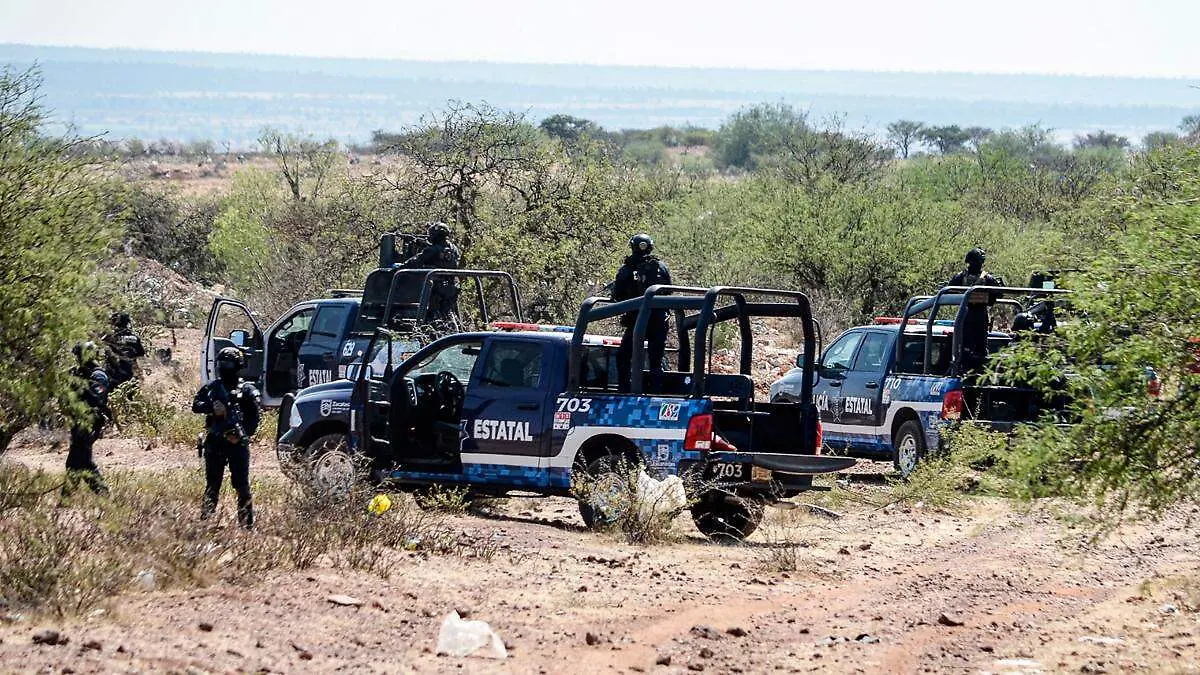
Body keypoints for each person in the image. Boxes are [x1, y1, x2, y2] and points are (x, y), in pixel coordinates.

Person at [192, 347, 261, 528]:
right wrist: (212, 407)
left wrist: (241, 434)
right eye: (222, 364)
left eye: (228, 364)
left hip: (237, 444)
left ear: (237, 366)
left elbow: (254, 419)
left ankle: (246, 527)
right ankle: (205, 523)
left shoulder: (246, 390)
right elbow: (196, 405)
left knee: (242, 486)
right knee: (212, 486)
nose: (224, 368)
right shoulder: (213, 388)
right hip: (215, 441)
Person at [612, 233, 672, 391]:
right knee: (656, 361)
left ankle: (625, 391)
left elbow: (617, 294)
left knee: (623, 356)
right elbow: (669, 290)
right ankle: (656, 392)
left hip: (637, 320)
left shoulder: (627, 268)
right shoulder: (661, 267)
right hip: (659, 320)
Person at [946, 248, 1005, 375]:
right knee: (978, 347)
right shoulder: (986, 278)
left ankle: (966, 370)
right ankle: (975, 371)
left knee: (968, 347)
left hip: (967, 314)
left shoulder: (961, 277)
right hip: (976, 315)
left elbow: (947, 290)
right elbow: (1000, 293)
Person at [64, 341, 111, 497]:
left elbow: (95, 400)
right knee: (76, 462)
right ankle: (66, 498)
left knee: (82, 461)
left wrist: (80, 387)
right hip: (77, 422)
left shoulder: (98, 375)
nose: (77, 359)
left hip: (90, 423)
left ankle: (103, 494)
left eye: (79, 356)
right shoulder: (78, 373)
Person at [400, 222, 462, 325]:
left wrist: (399, 268)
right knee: (447, 314)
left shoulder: (433, 250)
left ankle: (426, 328)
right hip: (451, 287)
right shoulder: (453, 249)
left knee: (431, 316)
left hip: (436, 288)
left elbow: (416, 261)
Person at [102, 312, 146, 390]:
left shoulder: (109, 337)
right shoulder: (134, 338)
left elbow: (100, 349)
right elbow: (141, 353)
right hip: (129, 373)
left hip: (113, 374)